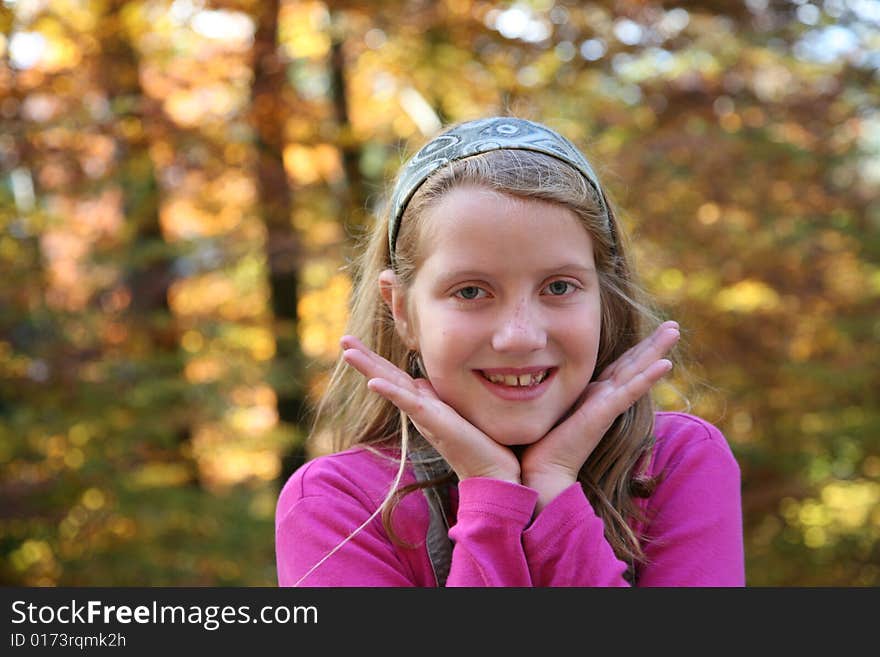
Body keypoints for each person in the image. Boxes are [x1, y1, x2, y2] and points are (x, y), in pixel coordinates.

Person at [275, 116, 745, 587]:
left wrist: (555, 488)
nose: (520, 337)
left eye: (559, 286)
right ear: (402, 310)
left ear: (604, 298)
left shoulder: (675, 463)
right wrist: (492, 500)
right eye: (471, 292)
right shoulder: (337, 507)